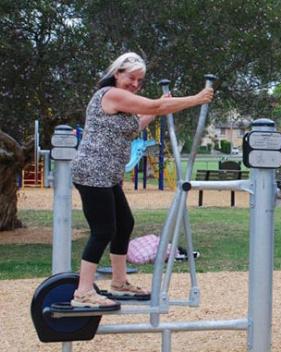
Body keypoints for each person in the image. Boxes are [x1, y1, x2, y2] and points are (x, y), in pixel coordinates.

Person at [70, 52, 214, 308]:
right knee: (103, 230)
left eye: (140, 80)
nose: (135, 84)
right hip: (93, 173)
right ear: (117, 73)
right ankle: (83, 292)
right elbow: (153, 107)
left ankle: (119, 282)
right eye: (131, 78)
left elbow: (137, 124)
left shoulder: (121, 103)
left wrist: (160, 106)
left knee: (124, 223)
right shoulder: (110, 95)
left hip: (107, 175)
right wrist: (196, 99)